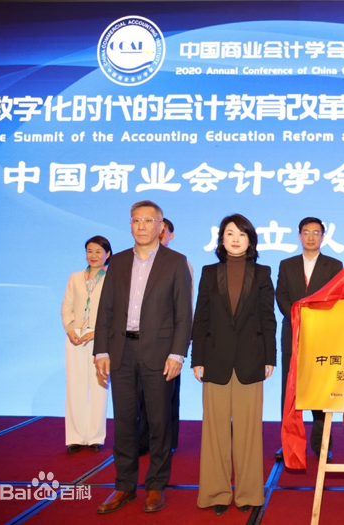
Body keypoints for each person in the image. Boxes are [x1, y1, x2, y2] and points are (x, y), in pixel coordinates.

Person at [94, 200, 193, 514]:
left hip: (159, 353)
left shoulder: (176, 262)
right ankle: (124, 486)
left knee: (159, 423)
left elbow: (183, 313)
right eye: (136, 220)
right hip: (121, 351)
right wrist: (101, 350)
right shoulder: (119, 261)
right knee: (124, 422)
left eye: (149, 221)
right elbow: (106, 309)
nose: (142, 226)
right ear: (130, 225)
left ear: (160, 226)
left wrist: (178, 353)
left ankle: (155, 486)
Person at [191, 214, 277, 516]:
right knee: (214, 431)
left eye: (242, 233)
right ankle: (216, 491)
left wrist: (270, 357)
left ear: (250, 239)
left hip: (250, 360)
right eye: (230, 233)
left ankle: (248, 493)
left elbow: (268, 318)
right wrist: (197, 358)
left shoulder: (263, 273)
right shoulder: (208, 272)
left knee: (248, 432)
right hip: (215, 359)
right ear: (221, 239)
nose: (236, 239)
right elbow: (201, 317)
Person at [276, 217, 342, 461]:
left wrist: (313, 319)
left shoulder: (334, 265)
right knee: (289, 392)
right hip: (292, 334)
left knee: (320, 392)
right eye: (306, 232)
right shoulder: (286, 264)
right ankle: (288, 443)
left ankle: (322, 444)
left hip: (321, 337)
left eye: (316, 233)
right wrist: (296, 316)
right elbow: (281, 295)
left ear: (323, 237)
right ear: (299, 236)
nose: (311, 237)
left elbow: (336, 297)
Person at [137, 217, 193, 456]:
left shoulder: (179, 263)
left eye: (164, 231)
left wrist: (183, 339)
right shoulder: (136, 262)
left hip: (168, 340)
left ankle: (167, 441)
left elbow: (185, 306)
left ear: (171, 235)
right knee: (141, 395)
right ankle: (142, 439)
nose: (159, 234)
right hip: (139, 340)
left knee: (167, 395)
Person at [61, 235, 112, 454]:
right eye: (89, 251)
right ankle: (75, 437)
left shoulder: (112, 278)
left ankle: (95, 437)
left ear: (107, 254)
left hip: (99, 338)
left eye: (98, 251)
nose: (93, 255)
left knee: (99, 386)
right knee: (75, 386)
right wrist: (70, 330)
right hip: (75, 336)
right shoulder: (75, 277)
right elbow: (66, 307)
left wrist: (96, 333)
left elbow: (114, 311)